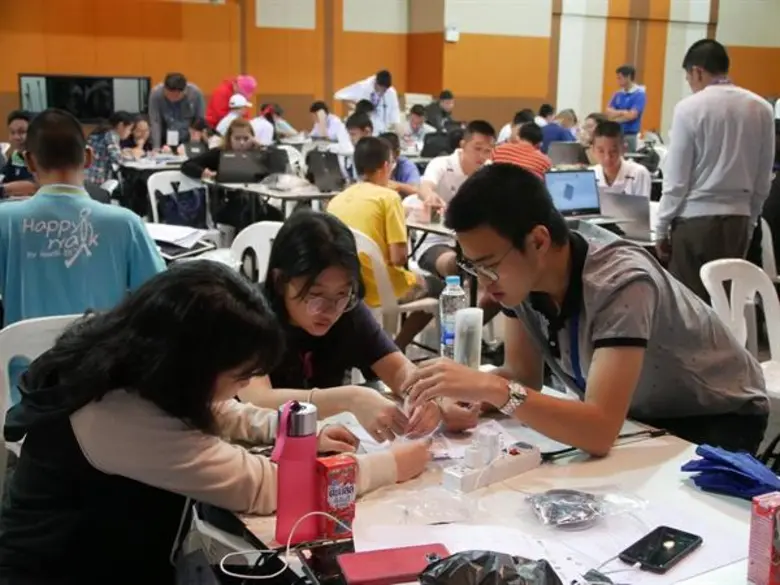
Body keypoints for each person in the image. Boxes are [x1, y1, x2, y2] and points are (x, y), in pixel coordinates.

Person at [0, 262, 431, 583]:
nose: (242, 387)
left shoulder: (133, 364)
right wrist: (389, 466)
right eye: (240, 375)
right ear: (193, 365)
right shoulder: (117, 414)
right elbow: (264, 487)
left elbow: (217, 409)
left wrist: (297, 432)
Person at [403, 163, 769, 456]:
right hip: (638, 415)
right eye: (473, 267)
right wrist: (465, 397)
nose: (484, 281)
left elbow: (598, 431)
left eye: (489, 265)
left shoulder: (620, 281)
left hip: (714, 414)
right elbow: (522, 377)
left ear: (538, 241)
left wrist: (489, 386)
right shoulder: (523, 281)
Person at [239, 211, 473, 433]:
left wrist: (429, 399)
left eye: (342, 293)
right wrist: (350, 399)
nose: (330, 310)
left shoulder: (349, 311)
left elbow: (398, 369)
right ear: (280, 281)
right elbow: (258, 401)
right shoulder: (250, 316)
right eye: (316, 295)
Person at [655, 39, 775, 302]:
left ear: (697, 71)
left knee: (689, 307)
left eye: (689, 78)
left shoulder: (689, 108)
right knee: (727, 308)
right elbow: (763, 177)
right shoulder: (762, 109)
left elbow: (676, 180)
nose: (690, 84)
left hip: (694, 222)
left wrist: (661, 227)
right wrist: (750, 222)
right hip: (738, 221)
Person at [328, 137, 444, 352]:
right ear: (385, 166)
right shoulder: (389, 198)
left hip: (348, 285)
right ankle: (395, 348)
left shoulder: (337, 199)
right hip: (379, 289)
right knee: (439, 287)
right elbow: (398, 258)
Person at [417, 120, 496, 278]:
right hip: (437, 240)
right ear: (463, 145)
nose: (482, 156)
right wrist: (430, 196)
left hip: (473, 242)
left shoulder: (489, 171)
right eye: (477, 148)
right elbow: (424, 188)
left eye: (487, 151)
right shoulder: (441, 164)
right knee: (456, 266)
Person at [181, 117, 258, 181]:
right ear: (229, 139)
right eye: (237, 138)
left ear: (252, 139)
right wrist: (203, 172)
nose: (242, 143)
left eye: (246, 138)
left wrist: (260, 148)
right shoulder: (219, 153)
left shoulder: (258, 154)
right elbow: (187, 165)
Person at [591, 121, 652, 197]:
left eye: (613, 151)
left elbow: (642, 204)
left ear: (624, 149)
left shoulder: (638, 173)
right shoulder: (589, 175)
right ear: (593, 150)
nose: (607, 158)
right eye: (601, 151)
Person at [148, 72, 206, 149]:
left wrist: (194, 145)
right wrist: (156, 147)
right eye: (169, 95)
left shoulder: (195, 94)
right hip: (164, 138)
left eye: (176, 96)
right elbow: (155, 122)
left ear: (184, 91)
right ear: (164, 88)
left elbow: (200, 120)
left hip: (188, 138)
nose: (172, 99)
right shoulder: (156, 94)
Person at [335, 70, 401, 134]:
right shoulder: (363, 87)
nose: (381, 92)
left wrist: (397, 125)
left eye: (384, 90)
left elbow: (395, 110)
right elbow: (340, 95)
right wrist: (357, 108)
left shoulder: (391, 91)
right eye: (381, 89)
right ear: (376, 83)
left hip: (382, 128)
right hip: (366, 128)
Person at [84, 111, 134, 187]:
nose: (130, 133)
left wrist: (122, 152)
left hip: (86, 176)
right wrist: (133, 157)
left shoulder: (100, 132)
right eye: (129, 129)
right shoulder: (111, 134)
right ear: (120, 125)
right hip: (96, 179)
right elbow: (117, 159)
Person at [606, 65, 646, 152]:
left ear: (628, 77)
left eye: (619, 78)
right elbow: (608, 112)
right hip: (616, 133)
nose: (617, 80)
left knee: (627, 157)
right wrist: (623, 112)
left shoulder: (639, 94)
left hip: (630, 134)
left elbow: (632, 115)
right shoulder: (618, 94)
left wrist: (616, 116)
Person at [0, 110, 35, 198]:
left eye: (22, 132)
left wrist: (4, 189)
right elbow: (3, 177)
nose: (16, 137)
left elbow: (38, 185)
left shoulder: (46, 158)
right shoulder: (15, 156)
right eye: (12, 132)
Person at [380, 132, 420, 197]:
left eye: (386, 153)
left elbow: (416, 189)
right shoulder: (373, 163)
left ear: (397, 152)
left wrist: (397, 185)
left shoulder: (406, 165)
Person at [343, 113, 374, 181]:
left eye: (353, 134)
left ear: (367, 132)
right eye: (349, 134)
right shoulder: (354, 154)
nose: (350, 139)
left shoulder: (378, 154)